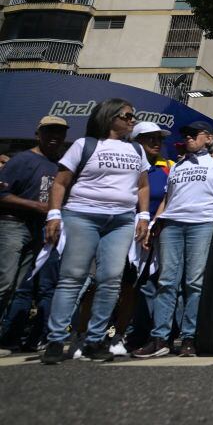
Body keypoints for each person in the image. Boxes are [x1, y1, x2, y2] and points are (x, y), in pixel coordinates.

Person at [41, 99, 149, 364]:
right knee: (72, 277)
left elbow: (143, 185)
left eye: (133, 116)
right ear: (109, 116)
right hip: (83, 215)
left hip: (122, 220)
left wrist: (143, 215)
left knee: (111, 279)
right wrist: (54, 214)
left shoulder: (136, 149)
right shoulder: (84, 145)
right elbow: (61, 182)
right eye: (127, 116)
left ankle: (94, 340)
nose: (132, 120)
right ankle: (56, 340)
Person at [134, 121, 213, 359]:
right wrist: (154, 223)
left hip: (203, 223)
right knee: (166, 282)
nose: (187, 137)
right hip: (171, 225)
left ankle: (189, 338)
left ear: (208, 138)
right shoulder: (176, 166)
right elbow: (167, 198)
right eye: (185, 134)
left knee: (194, 282)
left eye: (193, 134)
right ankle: (160, 338)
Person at [0, 116, 67, 354]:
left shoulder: (60, 166)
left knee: (22, 286)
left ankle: (9, 338)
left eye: (59, 133)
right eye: (49, 132)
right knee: (5, 281)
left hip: (42, 231)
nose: (54, 137)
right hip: (13, 224)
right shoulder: (22, 160)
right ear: (38, 134)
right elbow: (2, 196)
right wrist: (36, 206)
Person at [122, 121, 174, 350]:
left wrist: (154, 226)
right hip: (126, 233)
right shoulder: (127, 167)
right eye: (149, 138)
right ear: (135, 141)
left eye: (159, 138)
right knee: (121, 285)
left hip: (157, 235)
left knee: (151, 285)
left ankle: (141, 335)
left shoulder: (169, 168)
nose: (156, 142)